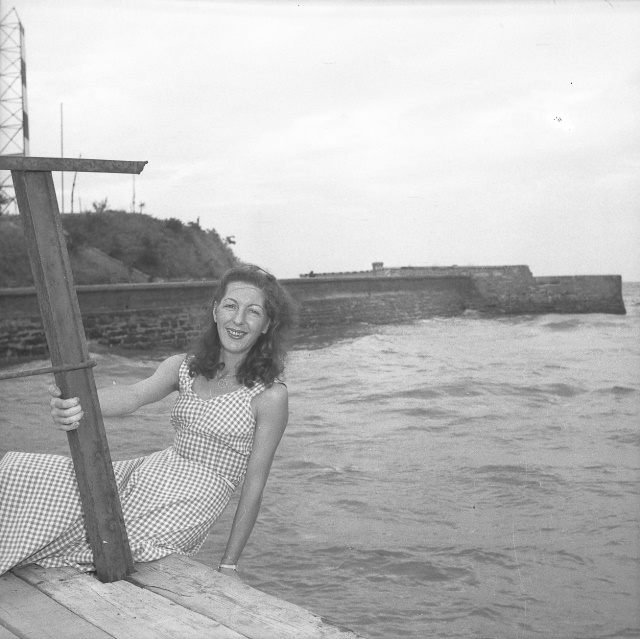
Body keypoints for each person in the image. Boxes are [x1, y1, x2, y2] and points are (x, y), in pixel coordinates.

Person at [0, 264, 296, 579]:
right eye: (231, 306)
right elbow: (133, 395)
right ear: (215, 311)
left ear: (267, 324)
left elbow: (254, 486)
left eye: (253, 312)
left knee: (108, 541)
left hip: (192, 500)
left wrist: (229, 564)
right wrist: (80, 403)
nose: (238, 320)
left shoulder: (270, 396)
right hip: (151, 473)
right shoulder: (184, 366)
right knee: (23, 472)